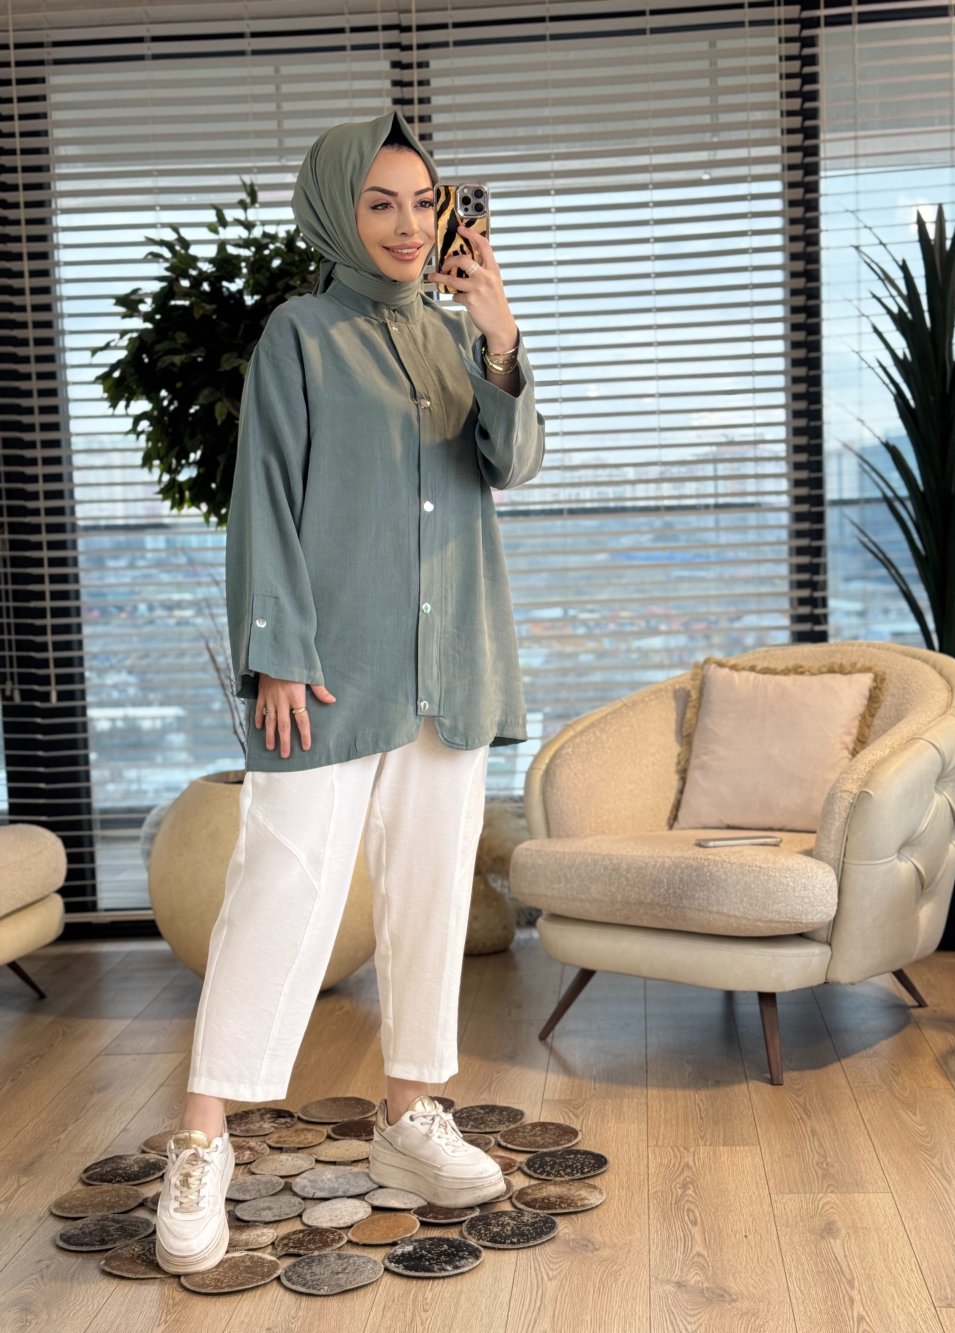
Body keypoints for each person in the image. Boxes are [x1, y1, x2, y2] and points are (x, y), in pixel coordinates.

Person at [153, 109, 545, 1274]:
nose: (408, 225)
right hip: (328, 670)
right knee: (281, 886)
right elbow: (263, 494)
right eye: (381, 203)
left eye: (424, 203)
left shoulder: (455, 336)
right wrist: (275, 649)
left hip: (450, 657)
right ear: (337, 208)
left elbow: (510, 463)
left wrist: (499, 337)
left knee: (430, 890)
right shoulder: (300, 334)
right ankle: (201, 1137)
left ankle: (409, 1116)